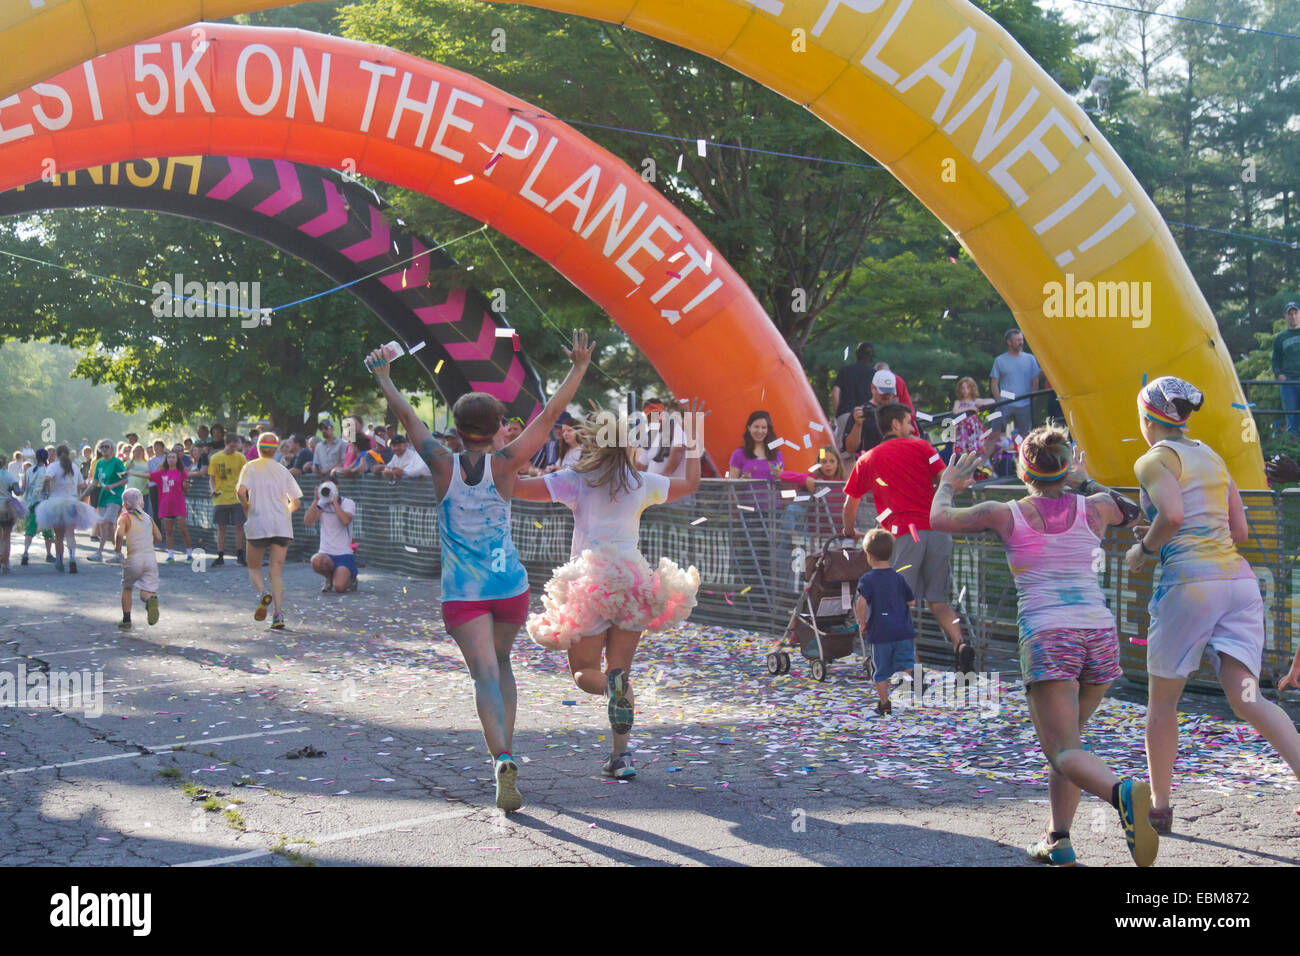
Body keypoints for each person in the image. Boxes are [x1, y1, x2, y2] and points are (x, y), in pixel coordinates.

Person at [366, 330, 594, 813]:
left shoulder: (441, 464)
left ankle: (503, 758)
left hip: (463, 594)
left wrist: (385, 377)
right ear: (498, 428)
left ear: (456, 426)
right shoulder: (508, 463)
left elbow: (407, 417)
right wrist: (577, 367)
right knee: (505, 665)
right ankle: (508, 750)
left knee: (484, 677)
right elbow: (551, 414)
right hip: (508, 585)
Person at [931, 430, 1158, 867]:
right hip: (1099, 634)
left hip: (1049, 636)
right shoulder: (1096, 506)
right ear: (1066, 465)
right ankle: (1059, 839)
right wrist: (1086, 481)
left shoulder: (1003, 513)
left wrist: (948, 482)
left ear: (1023, 469)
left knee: (1062, 750)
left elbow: (939, 518)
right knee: (1070, 745)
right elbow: (1137, 511)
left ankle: (1121, 792)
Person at [1124, 376, 1300, 835]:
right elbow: (1238, 532)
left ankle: (1160, 808)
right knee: (1248, 698)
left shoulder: (1153, 460)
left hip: (1189, 587)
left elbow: (1174, 516)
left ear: (1148, 419)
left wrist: (1143, 550)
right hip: (1238, 585)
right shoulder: (1214, 457)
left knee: (1162, 701)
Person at [511, 399, 704, 779]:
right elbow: (691, 483)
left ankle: (612, 694)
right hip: (633, 580)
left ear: (592, 443)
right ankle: (622, 756)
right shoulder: (641, 481)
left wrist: (507, 451)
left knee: (584, 672)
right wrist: (693, 432)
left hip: (591, 582)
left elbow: (516, 488)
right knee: (621, 673)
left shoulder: (576, 480)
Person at [841, 403, 973, 672]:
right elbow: (946, 479)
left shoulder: (867, 459)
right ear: (895, 424)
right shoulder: (923, 447)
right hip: (938, 529)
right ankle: (961, 645)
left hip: (901, 535)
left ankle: (911, 666)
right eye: (908, 422)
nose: (912, 427)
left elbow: (849, 505)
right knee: (939, 601)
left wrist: (848, 530)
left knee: (899, 604)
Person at [235, 432, 303, 630]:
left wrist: (246, 506)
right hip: (281, 526)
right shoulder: (283, 470)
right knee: (276, 573)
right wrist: (285, 513)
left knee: (254, 567)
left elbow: (240, 492)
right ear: (276, 450)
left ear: (258, 448)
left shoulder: (250, 467)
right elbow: (296, 502)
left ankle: (263, 593)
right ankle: (278, 614)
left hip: (258, 522)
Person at [855, 529, 917, 717]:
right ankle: (905, 691)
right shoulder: (899, 577)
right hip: (903, 630)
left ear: (869, 555)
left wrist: (862, 623)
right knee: (907, 661)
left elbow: (861, 602)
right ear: (891, 553)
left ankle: (884, 704)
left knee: (880, 670)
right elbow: (911, 602)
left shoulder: (867, 579)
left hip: (881, 632)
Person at [36, 445, 98, 573]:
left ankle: (59, 561)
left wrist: (44, 489)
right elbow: (81, 485)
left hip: (56, 503)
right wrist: (79, 494)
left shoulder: (53, 466)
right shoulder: (74, 467)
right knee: (70, 534)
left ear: (57, 455)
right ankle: (72, 559)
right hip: (71, 503)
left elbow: (47, 478)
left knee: (58, 536)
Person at [114, 488, 162, 631]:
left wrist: (117, 549)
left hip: (134, 559)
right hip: (150, 559)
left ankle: (126, 621)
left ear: (124, 504)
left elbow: (119, 533)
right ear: (141, 503)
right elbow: (159, 537)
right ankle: (149, 601)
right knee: (146, 591)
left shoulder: (124, 517)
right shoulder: (147, 517)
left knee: (127, 588)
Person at [304, 480, 357, 593]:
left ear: (336, 488)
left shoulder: (347, 503)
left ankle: (351, 578)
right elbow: (308, 521)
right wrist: (316, 500)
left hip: (344, 554)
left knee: (339, 588)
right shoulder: (321, 504)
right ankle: (329, 579)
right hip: (326, 553)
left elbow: (345, 521)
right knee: (316, 561)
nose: (327, 491)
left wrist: (334, 502)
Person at [990, 328, 1041, 437]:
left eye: (1021, 339)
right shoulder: (1000, 360)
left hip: (1025, 404)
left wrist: (1032, 400)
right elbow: (994, 383)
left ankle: (1024, 454)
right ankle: (989, 454)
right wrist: (999, 401)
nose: (1021, 342)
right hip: (1004, 403)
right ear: (1009, 342)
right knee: (996, 433)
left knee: (1025, 436)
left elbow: (1035, 381)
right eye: (1017, 340)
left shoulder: (1030, 359)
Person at [208, 434, 247, 567]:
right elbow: (212, 478)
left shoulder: (240, 457)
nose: (234, 448)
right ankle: (220, 555)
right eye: (232, 446)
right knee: (221, 528)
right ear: (227, 444)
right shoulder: (215, 458)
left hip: (237, 497)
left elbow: (246, 476)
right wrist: (212, 489)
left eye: (236, 446)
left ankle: (240, 555)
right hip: (221, 497)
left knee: (239, 526)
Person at [149, 449, 192, 563]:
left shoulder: (182, 473)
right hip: (165, 505)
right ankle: (170, 556)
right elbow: (147, 476)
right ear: (166, 460)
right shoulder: (161, 473)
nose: (171, 459)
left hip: (178, 505)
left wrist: (186, 485)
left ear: (177, 460)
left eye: (173, 457)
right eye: (169, 457)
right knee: (168, 531)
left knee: (183, 530)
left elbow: (186, 488)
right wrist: (131, 473)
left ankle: (189, 554)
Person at [89, 438, 128, 563]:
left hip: (115, 496)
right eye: (102, 447)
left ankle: (99, 553)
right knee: (109, 527)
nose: (104, 449)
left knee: (105, 523)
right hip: (103, 497)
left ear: (112, 449)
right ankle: (118, 554)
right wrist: (82, 495)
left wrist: (112, 486)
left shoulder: (117, 462)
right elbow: (95, 482)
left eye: (107, 447)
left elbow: (125, 479)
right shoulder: (99, 463)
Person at [832, 342, 875, 450]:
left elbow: (836, 391)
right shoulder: (874, 373)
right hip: (867, 415)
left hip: (846, 413)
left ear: (857, 355)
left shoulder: (845, 370)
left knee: (843, 451)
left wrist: (838, 413)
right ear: (871, 357)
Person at [636, 398, 686, 479]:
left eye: (657, 414)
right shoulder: (650, 436)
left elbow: (678, 449)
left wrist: (666, 474)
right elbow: (641, 463)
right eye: (650, 416)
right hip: (655, 486)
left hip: (672, 486)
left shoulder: (677, 426)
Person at [20, 447, 54, 565]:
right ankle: (49, 554)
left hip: (30, 503)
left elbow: (24, 488)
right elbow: (48, 488)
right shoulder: (47, 471)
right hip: (43, 502)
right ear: (46, 458)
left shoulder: (28, 471)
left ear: (36, 457)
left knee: (30, 529)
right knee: (47, 529)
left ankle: (25, 552)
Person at [727, 410, 784, 479]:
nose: (760, 431)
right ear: (749, 428)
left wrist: (780, 477)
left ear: (768, 430)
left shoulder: (777, 454)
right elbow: (731, 486)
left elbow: (782, 486)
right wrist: (742, 480)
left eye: (763, 427)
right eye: (756, 427)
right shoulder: (738, 454)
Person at [1271, 301, 1300, 437]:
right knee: (1292, 420)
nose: (1293, 317)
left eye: (1296, 313)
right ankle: (1293, 449)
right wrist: (1278, 374)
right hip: (1288, 382)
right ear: (1285, 317)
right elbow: (1275, 360)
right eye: (1290, 314)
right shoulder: (1280, 338)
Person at [952, 376, 997, 459]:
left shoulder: (975, 401)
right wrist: (970, 408)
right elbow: (955, 411)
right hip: (962, 430)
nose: (965, 390)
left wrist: (982, 403)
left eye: (967, 388)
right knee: (963, 454)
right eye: (963, 388)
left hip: (972, 430)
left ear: (972, 389)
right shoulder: (958, 402)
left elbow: (992, 401)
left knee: (974, 452)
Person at [0, 463, 23, 573]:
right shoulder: (9, 476)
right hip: (7, 507)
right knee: (6, 537)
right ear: (4, 464)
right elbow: (17, 491)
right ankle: (5, 563)